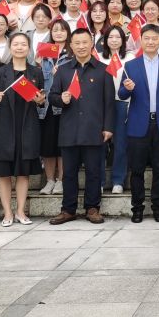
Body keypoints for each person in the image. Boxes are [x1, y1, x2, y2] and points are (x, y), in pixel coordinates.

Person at [49, 28, 115, 225]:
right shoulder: (63, 70)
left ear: (91, 43)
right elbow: (52, 97)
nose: (81, 46)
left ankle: (92, 208)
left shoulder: (103, 70)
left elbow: (109, 103)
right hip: (69, 129)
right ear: (71, 45)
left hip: (94, 129)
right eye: (77, 43)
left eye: (85, 42)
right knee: (68, 173)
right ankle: (68, 209)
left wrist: (108, 127)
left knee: (94, 172)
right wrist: (61, 99)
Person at [0, 33, 46, 226]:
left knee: (23, 172)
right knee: (3, 172)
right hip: (4, 127)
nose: (19, 47)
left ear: (29, 49)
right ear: (10, 48)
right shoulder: (0, 72)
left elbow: (41, 100)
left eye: (23, 44)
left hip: (27, 127)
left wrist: (40, 101)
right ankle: (7, 213)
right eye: (16, 44)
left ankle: (20, 211)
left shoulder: (36, 72)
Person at [118, 24, 159, 223]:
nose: (150, 42)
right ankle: (137, 208)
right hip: (137, 125)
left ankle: (158, 207)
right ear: (141, 41)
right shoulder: (131, 66)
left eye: (154, 38)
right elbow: (121, 94)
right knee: (137, 170)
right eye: (147, 38)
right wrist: (127, 88)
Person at [38, 19, 71, 195]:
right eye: (55, 30)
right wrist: (37, 64)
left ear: (68, 32)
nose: (58, 33)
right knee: (47, 146)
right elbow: (38, 79)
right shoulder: (44, 53)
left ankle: (61, 181)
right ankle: (50, 180)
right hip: (46, 106)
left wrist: (62, 73)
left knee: (62, 145)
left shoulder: (72, 54)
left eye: (62, 30)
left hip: (65, 105)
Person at [98, 26, 130, 193]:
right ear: (105, 40)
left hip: (122, 103)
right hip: (101, 104)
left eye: (118, 37)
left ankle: (118, 180)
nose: (114, 40)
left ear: (123, 40)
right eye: (111, 37)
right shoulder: (97, 57)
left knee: (121, 143)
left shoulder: (130, 57)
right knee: (100, 143)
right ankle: (99, 181)